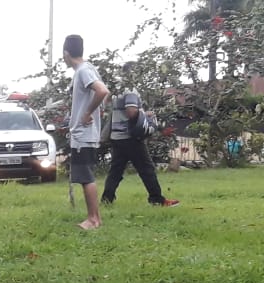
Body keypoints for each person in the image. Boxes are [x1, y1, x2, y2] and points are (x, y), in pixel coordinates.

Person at [101, 67, 179, 207]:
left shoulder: (115, 92)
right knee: (147, 169)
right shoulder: (130, 91)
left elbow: (108, 107)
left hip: (117, 137)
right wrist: (144, 114)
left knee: (116, 171)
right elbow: (131, 111)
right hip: (131, 137)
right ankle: (157, 199)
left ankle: (107, 199)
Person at [62, 35, 110, 230]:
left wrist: (88, 113)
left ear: (66, 53)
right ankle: (95, 218)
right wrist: (98, 110)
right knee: (85, 176)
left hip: (83, 134)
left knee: (85, 176)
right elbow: (103, 94)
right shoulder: (88, 69)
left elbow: (102, 91)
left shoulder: (83, 71)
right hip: (84, 134)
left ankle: (93, 219)